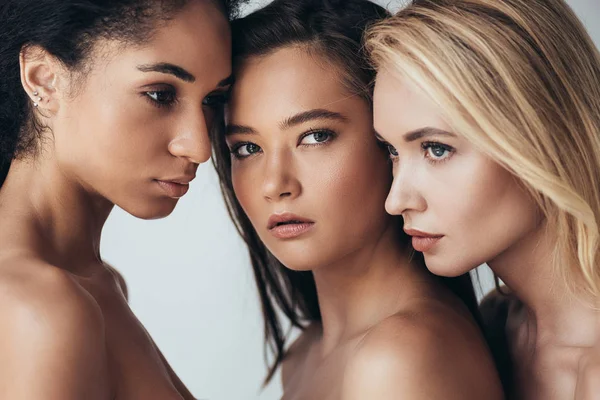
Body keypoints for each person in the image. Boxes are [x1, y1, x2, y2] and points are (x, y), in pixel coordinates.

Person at [210, 0, 503, 398]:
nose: (274, 184)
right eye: (247, 148)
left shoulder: (400, 357)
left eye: (315, 136)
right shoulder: (305, 354)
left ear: (388, 141)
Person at [0, 0, 244, 398]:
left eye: (212, 100)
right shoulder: (39, 309)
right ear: (43, 78)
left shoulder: (98, 283)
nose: (199, 146)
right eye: (161, 94)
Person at [366, 0, 600, 397]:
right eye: (391, 151)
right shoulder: (493, 329)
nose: (396, 200)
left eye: (436, 149)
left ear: (542, 136)